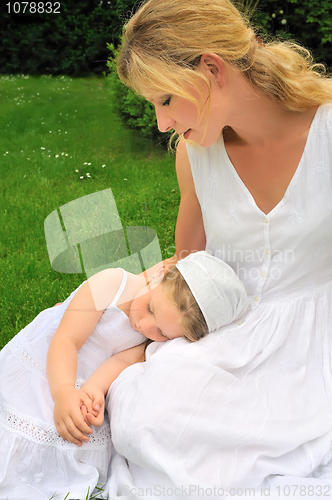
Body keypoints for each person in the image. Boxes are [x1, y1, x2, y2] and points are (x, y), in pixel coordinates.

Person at [103, 0, 332, 497]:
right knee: (147, 420)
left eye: (164, 100)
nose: (162, 123)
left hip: (320, 339)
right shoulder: (195, 156)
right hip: (229, 330)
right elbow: (189, 270)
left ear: (211, 69)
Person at [0, 251, 247, 500]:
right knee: (22, 414)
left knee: (66, 437)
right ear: (159, 275)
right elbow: (67, 340)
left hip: (79, 378)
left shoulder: (147, 338)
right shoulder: (111, 285)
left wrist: (92, 391)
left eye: (161, 331)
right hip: (50, 359)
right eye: (150, 308)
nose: (144, 325)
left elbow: (120, 360)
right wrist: (64, 392)